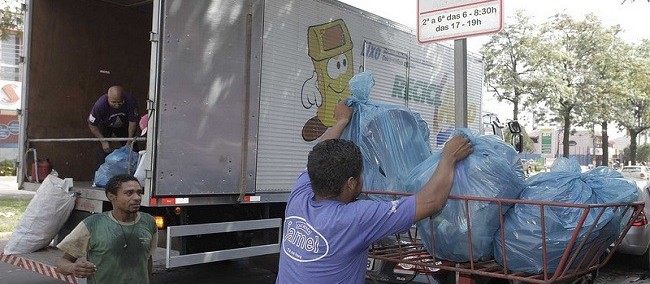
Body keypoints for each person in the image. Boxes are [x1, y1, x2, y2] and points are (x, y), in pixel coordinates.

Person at [276, 100, 472, 283]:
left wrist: (342, 121)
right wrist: (449, 157)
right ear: (351, 183)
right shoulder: (354, 218)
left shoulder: (299, 197)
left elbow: (319, 151)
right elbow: (431, 202)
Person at [56, 174, 158, 284]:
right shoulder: (92, 224)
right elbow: (62, 262)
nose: (137, 198)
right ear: (111, 196)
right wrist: (73, 268)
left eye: (139, 192)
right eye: (129, 193)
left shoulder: (149, 222)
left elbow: (148, 259)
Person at [88, 85, 140, 169]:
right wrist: (103, 141)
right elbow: (92, 125)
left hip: (124, 126)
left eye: (120, 102)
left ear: (124, 98)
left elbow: (133, 122)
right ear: (108, 98)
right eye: (113, 102)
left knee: (133, 148)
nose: (117, 105)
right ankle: (99, 179)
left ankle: (135, 175)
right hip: (105, 125)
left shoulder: (130, 101)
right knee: (103, 151)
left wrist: (129, 140)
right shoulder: (100, 105)